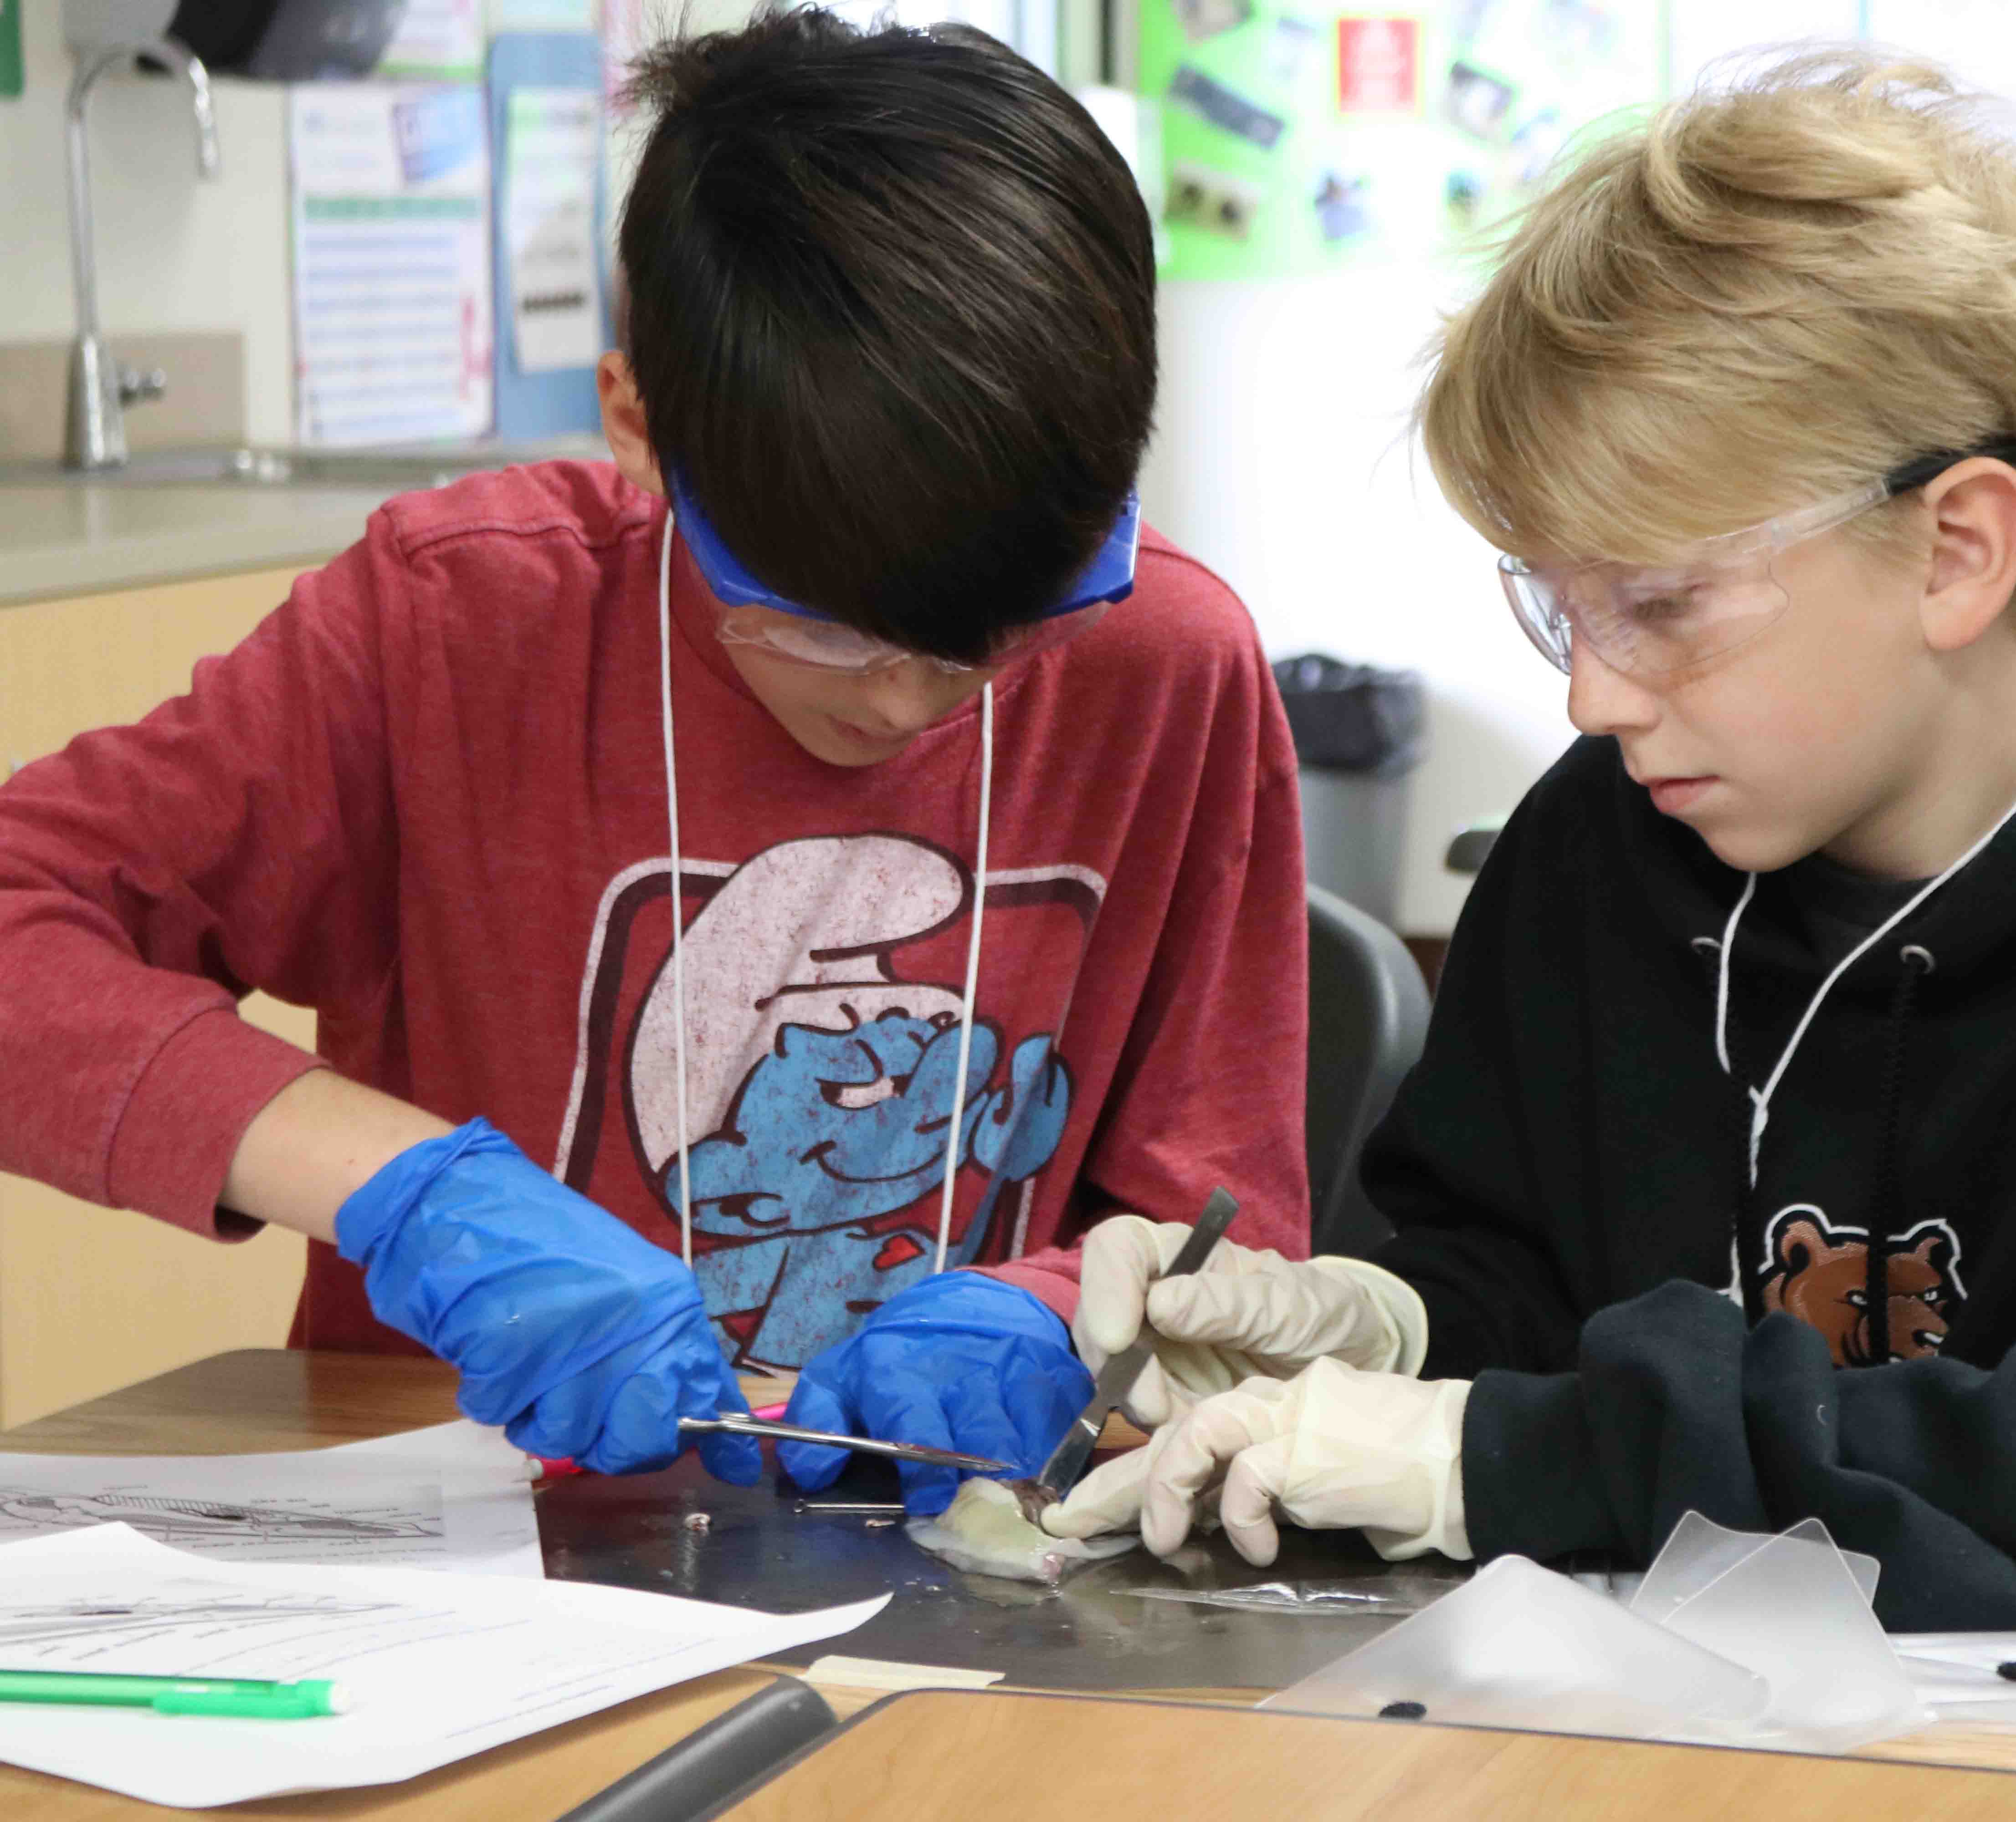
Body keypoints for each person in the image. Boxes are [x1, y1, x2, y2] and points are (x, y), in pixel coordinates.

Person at [1041, 51, 2016, 1812]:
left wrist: (1508, 1452)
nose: (1594, 695)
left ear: (1956, 553)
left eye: (1663, 608)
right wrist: (1373, 1329)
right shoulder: (1609, 836)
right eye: (1559, 605)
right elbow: (1522, 1297)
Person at [0, 11, 1307, 1511]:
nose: (907, 704)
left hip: (966, 1536)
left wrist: (1063, 1311)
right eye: (817, 631)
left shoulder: (1163, 664)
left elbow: (1229, 1219)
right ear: (637, 426)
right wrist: (403, 1191)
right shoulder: (456, 624)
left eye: (999, 635)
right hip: (467, 1536)